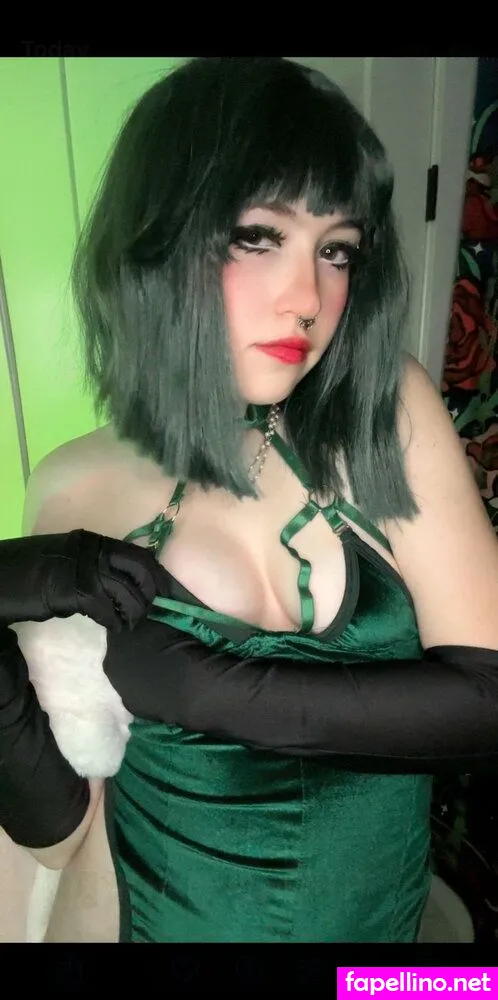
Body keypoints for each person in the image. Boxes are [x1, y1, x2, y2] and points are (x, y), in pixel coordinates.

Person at [3, 55, 498, 944]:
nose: (308, 299)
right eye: (258, 237)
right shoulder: (77, 483)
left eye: (336, 250)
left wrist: (214, 693)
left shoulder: (383, 411)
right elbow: (58, 831)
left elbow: (487, 699)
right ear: (158, 238)